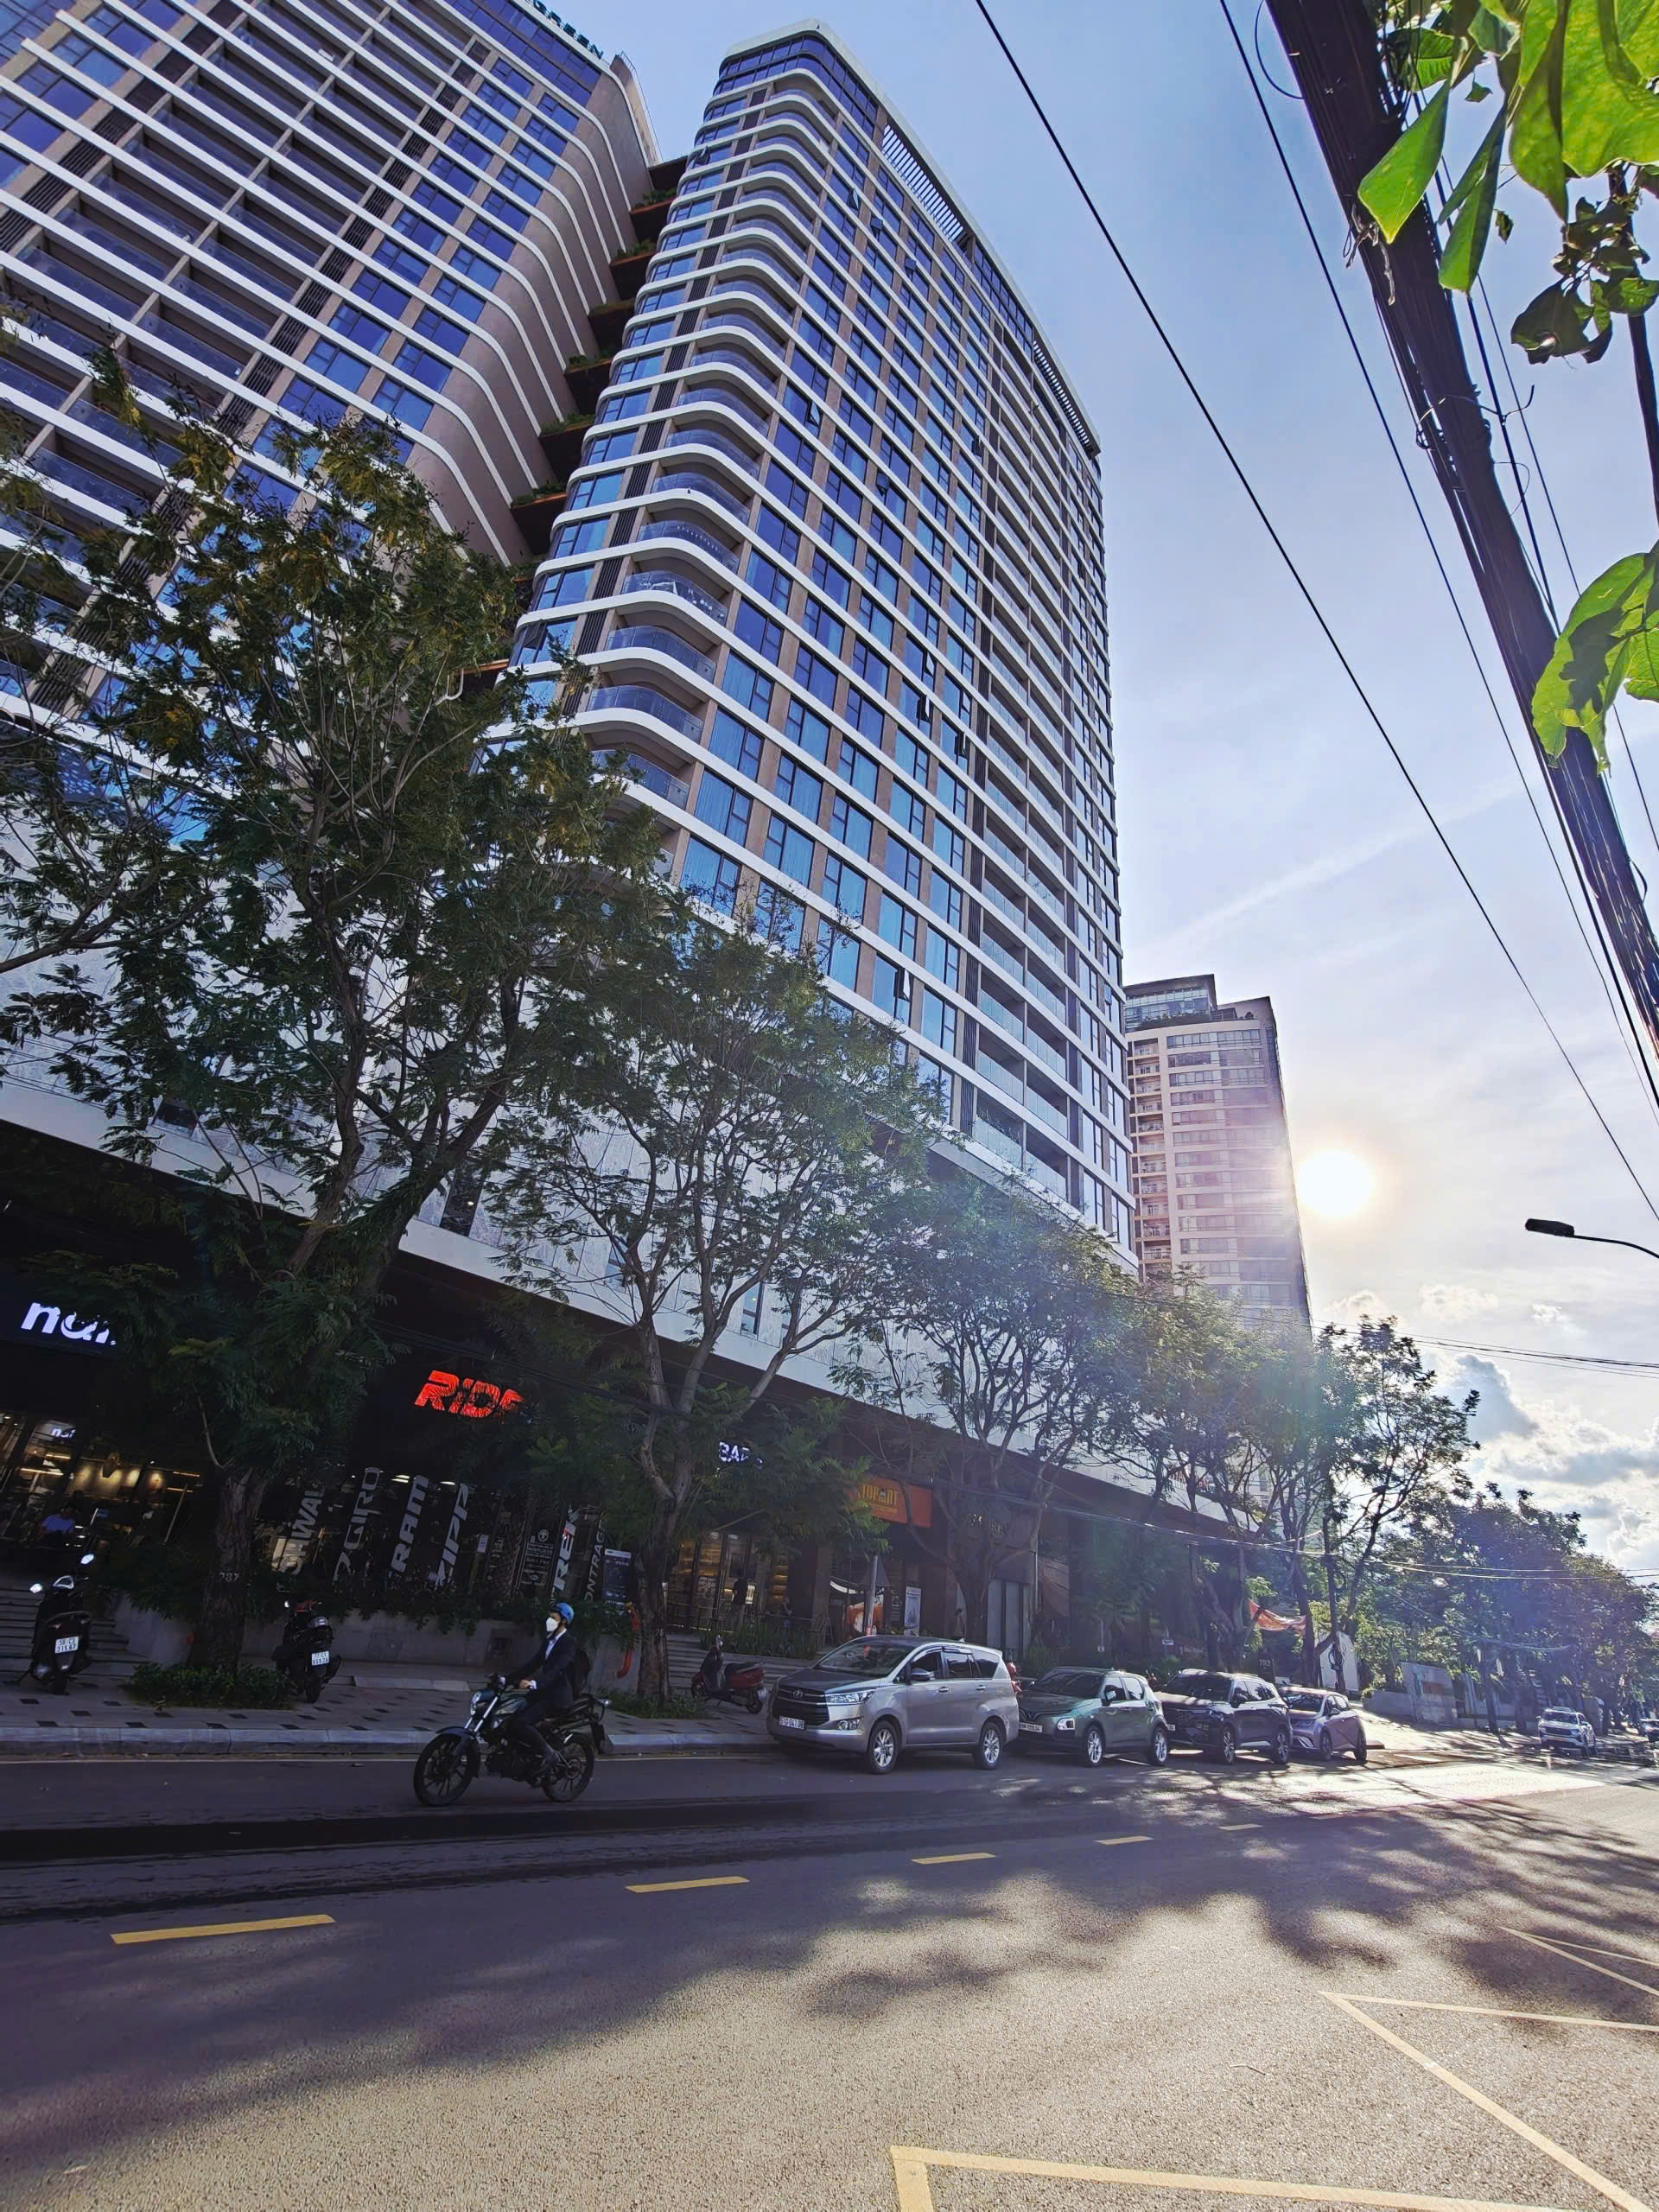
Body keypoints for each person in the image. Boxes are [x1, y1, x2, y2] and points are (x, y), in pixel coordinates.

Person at [505, 1602, 582, 1777]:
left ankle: (549, 1754)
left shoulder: (569, 1642)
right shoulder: (549, 1640)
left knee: (522, 1722)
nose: (549, 1620)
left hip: (557, 1696)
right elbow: (533, 1664)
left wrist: (534, 1683)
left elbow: (557, 1669)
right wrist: (507, 1679)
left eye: (553, 1617)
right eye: (549, 1617)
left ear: (564, 1621)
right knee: (511, 1714)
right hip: (542, 1692)